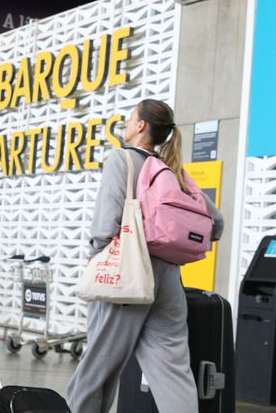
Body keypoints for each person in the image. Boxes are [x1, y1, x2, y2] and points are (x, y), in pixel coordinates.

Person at [66, 99, 225, 413]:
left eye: (129, 119)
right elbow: (216, 224)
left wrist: (98, 256)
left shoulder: (122, 159)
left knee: (97, 369)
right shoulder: (173, 171)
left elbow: (105, 222)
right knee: (173, 372)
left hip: (128, 273)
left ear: (141, 126)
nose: (125, 125)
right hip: (169, 279)